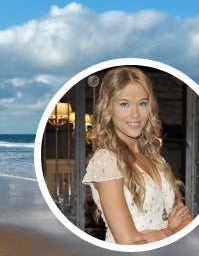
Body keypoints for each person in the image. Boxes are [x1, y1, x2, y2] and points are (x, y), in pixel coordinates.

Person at [82, 66, 192, 244]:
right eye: (124, 104)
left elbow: (187, 220)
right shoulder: (106, 161)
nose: (135, 114)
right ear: (108, 108)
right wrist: (171, 230)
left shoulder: (156, 159)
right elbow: (129, 242)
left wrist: (165, 233)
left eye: (142, 103)